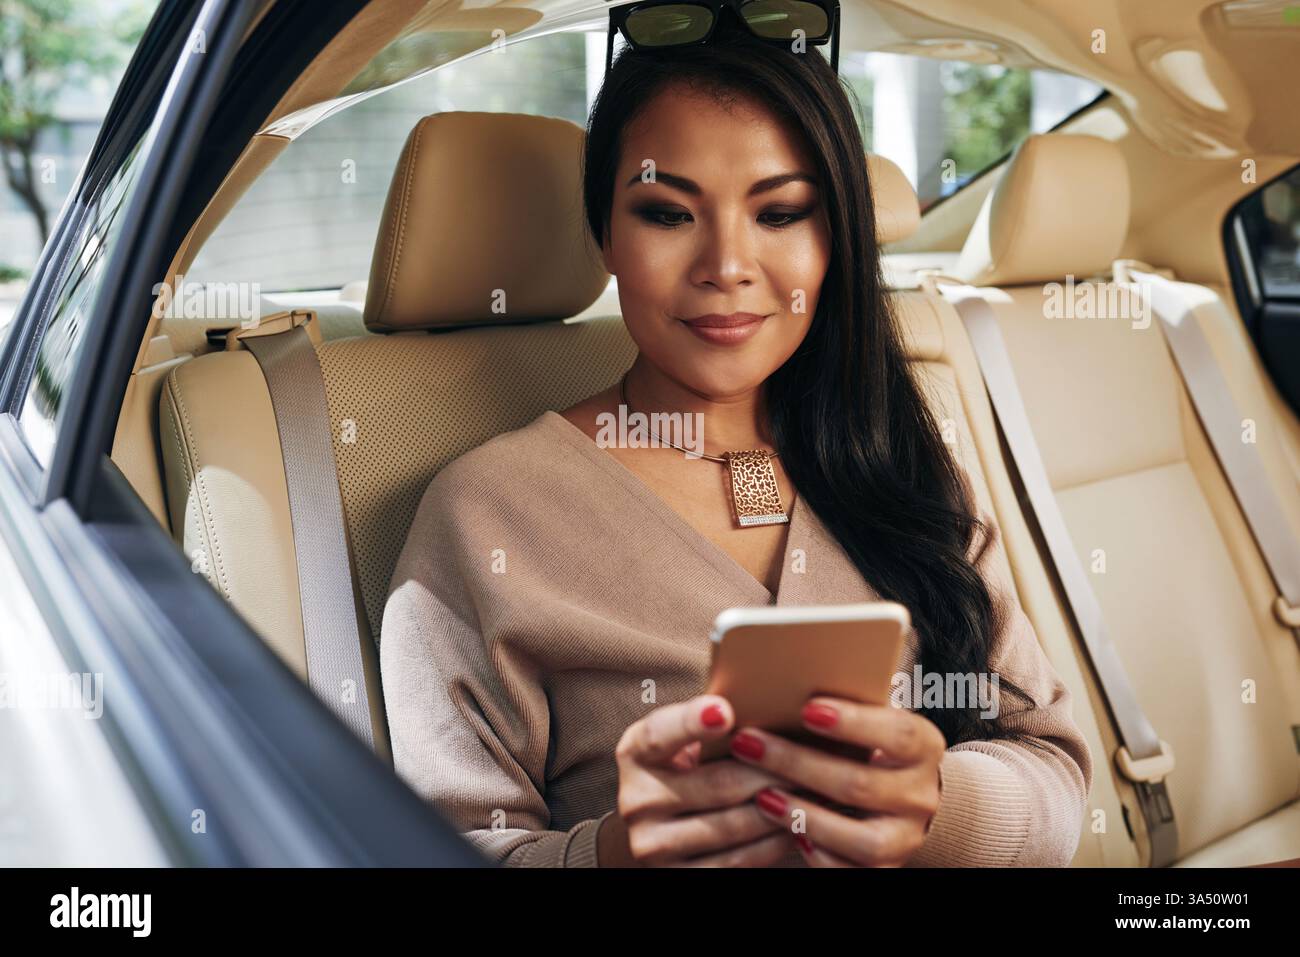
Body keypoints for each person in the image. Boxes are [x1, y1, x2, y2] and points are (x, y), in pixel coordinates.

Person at [380, 7, 1092, 867]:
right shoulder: (484, 515)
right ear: (604, 232)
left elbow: (1053, 766)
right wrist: (617, 851)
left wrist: (940, 800)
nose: (726, 263)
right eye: (667, 213)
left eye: (781, 212)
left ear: (837, 239)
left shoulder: (896, 455)